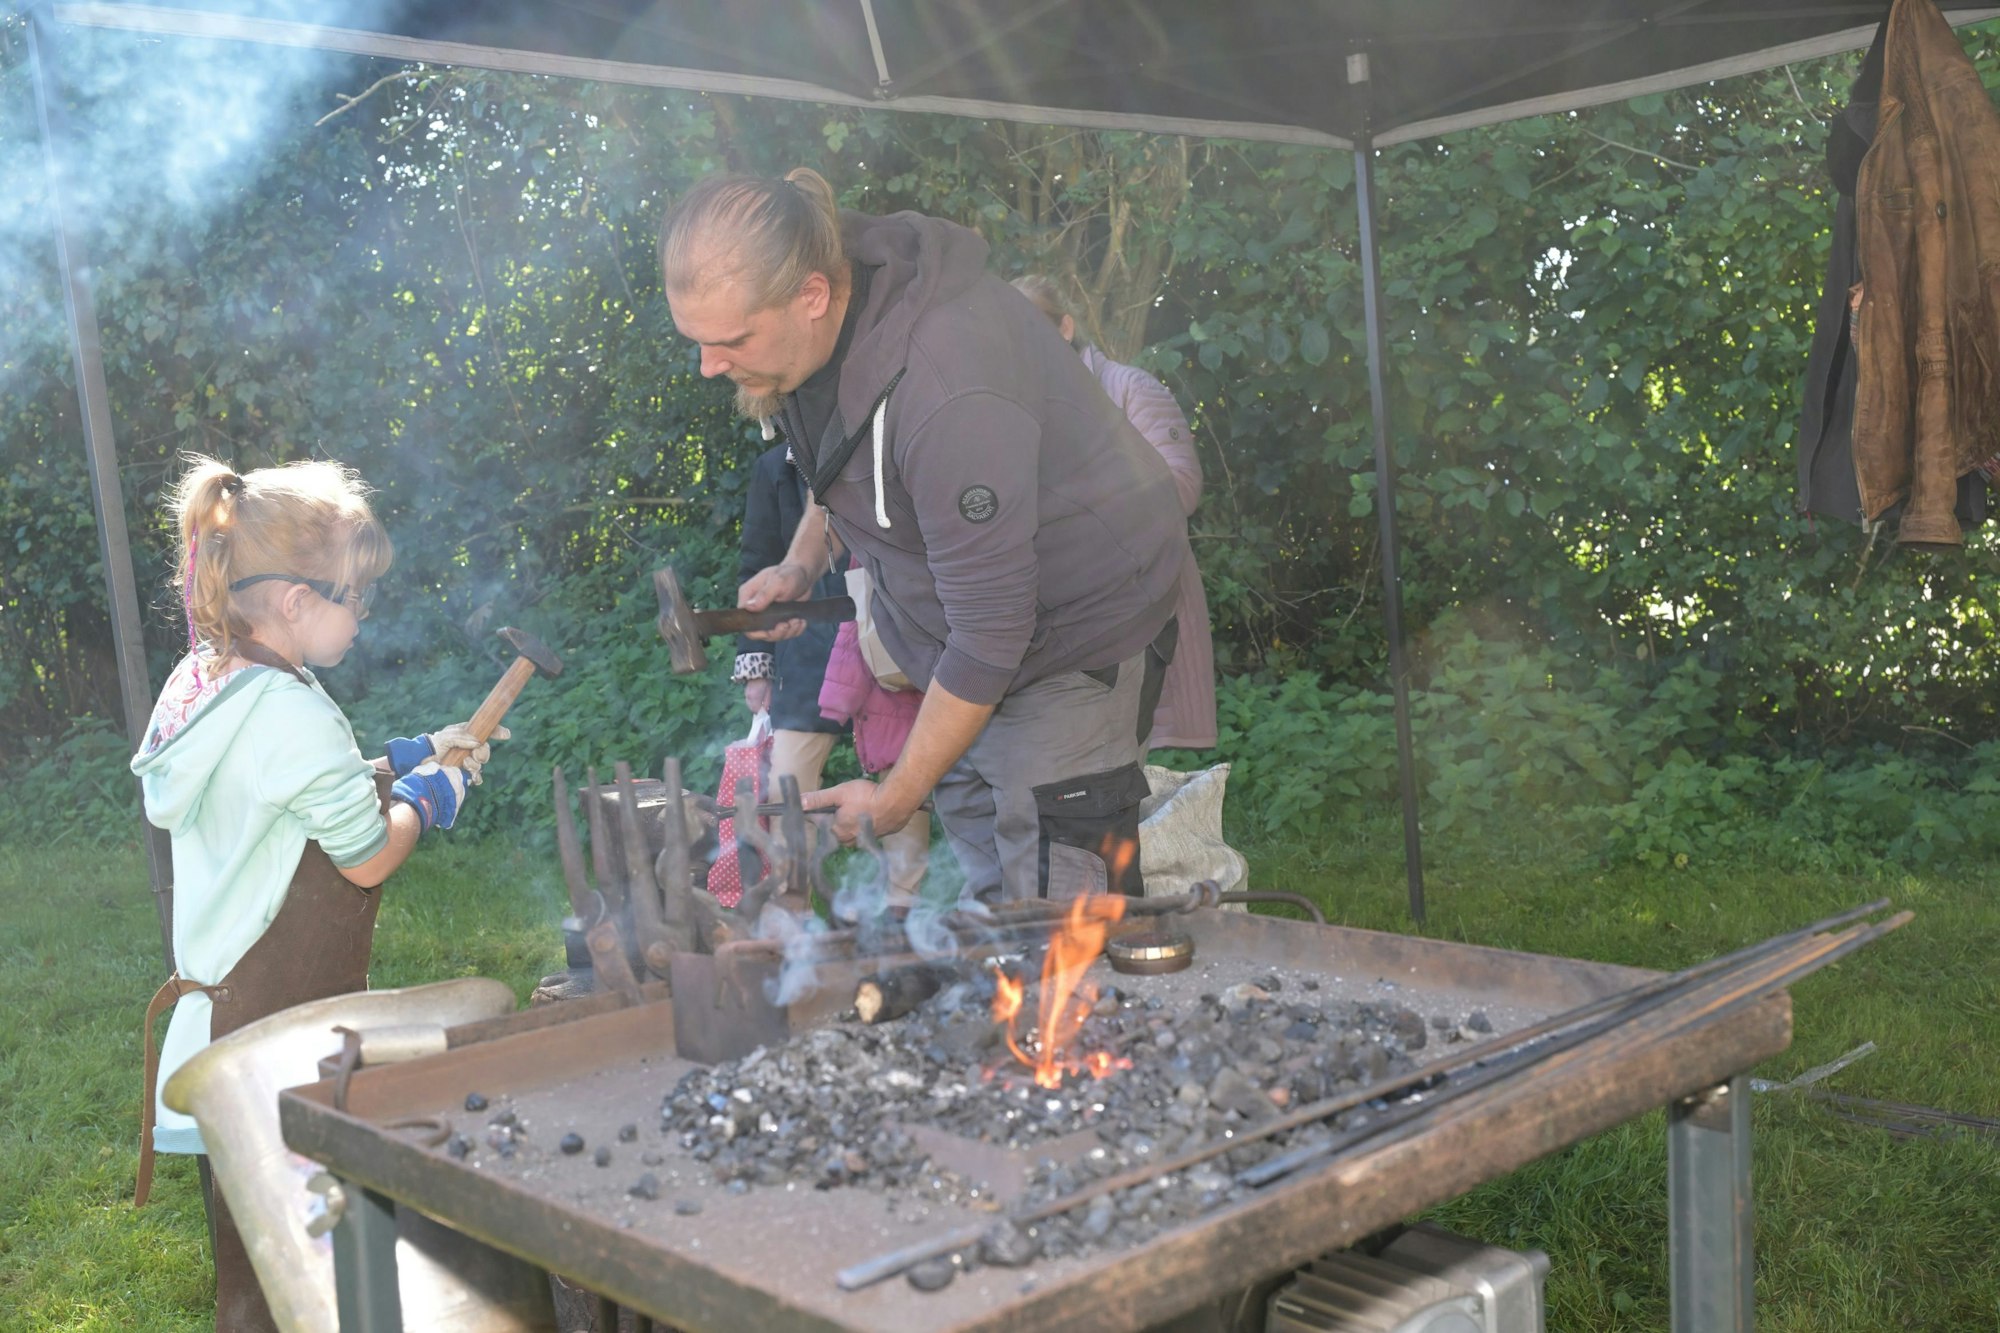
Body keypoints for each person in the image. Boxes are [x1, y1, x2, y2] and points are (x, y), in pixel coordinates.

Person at [659, 167, 1193, 904]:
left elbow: (992, 630)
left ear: (811, 295)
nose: (707, 364)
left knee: (1066, 909)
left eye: (729, 340)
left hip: (1074, 636)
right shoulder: (816, 340)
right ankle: (1011, 1000)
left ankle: (1092, 1010)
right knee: (990, 886)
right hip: (956, 653)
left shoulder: (950, 387)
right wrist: (800, 565)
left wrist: (894, 795)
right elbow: (843, 464)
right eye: (696, 338)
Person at [129, 455, 499, 1331]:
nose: (363, 614)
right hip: (280, 1027)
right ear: (296, 602)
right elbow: (366, 853)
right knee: (310, 1261)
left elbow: (289, 795)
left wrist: (400, 757)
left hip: (222, 1019)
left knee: (254, 1261)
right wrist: (426, 797)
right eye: (353, 595)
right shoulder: (292, 715)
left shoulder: (207, 682)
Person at [1013, 274, 1217, 751]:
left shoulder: (1129, 388)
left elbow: (1181, 488)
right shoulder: (1013, 413)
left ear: (1064, 327)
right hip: (1054, 633)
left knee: (1121, 787)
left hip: (1138, 620)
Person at [733, 442, 929, 905]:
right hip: (807, 651)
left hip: (886, 640)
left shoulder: (884, 450)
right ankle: (791, 905)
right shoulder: (772, 470)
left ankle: (903, 908)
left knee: (901, 767)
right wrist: (755, 666)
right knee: (789, 782)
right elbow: (756, 564)